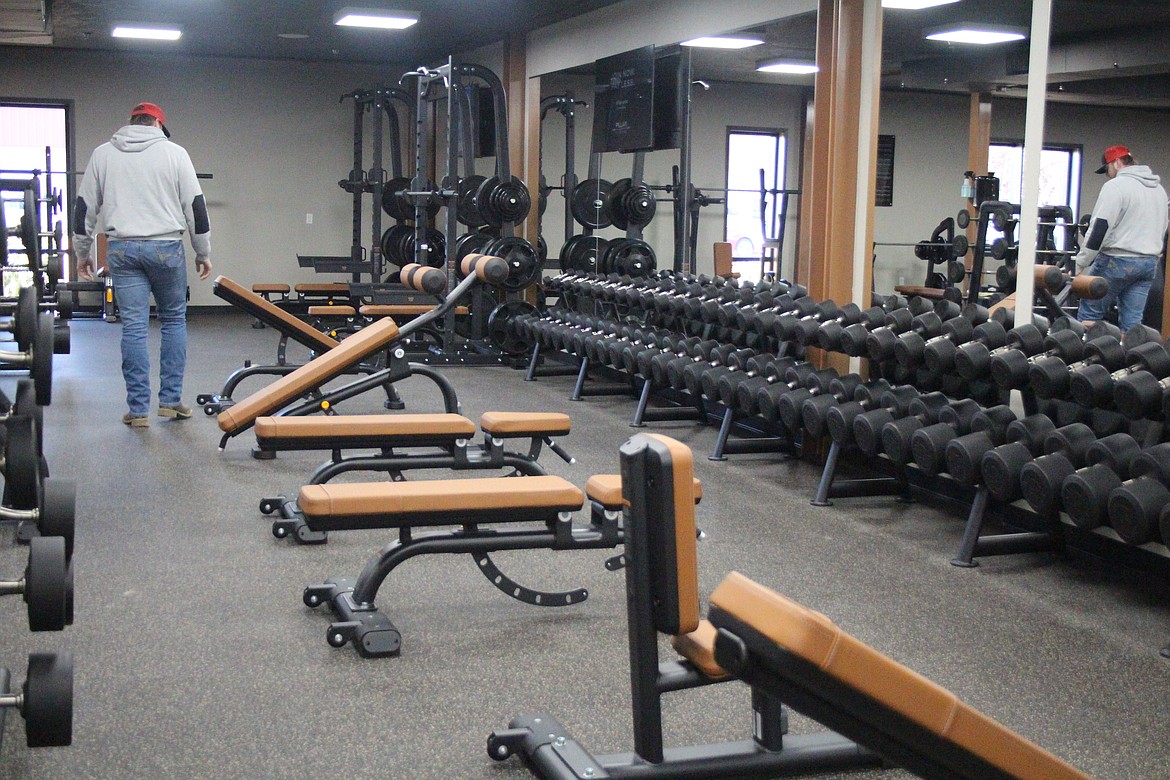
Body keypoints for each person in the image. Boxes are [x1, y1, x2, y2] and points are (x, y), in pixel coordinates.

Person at [72, 102, 212, 427]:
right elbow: (196, 207)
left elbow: (84, 208)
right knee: (174, 321)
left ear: (131, 123)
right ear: (159, 126)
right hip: (166, 246)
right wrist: (202, 252)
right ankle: (170, 401)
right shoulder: (175, 153)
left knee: (134, 326)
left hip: (122, 247)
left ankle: (137, 411)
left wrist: (83, 253)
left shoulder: (103, 154)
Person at [1074, 144, 1168, 332]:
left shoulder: (1116, 186)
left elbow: (1100, 227)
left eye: (1107, 169)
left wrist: (1080, 262)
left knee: (1088, 316)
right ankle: (1129, 360)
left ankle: (1085, 360)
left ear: (1116, 162)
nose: (1108, 175)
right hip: (1148, 263)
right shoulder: (1159, 190)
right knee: (1132, 325)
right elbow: (1163, 227)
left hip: (1116, 261)